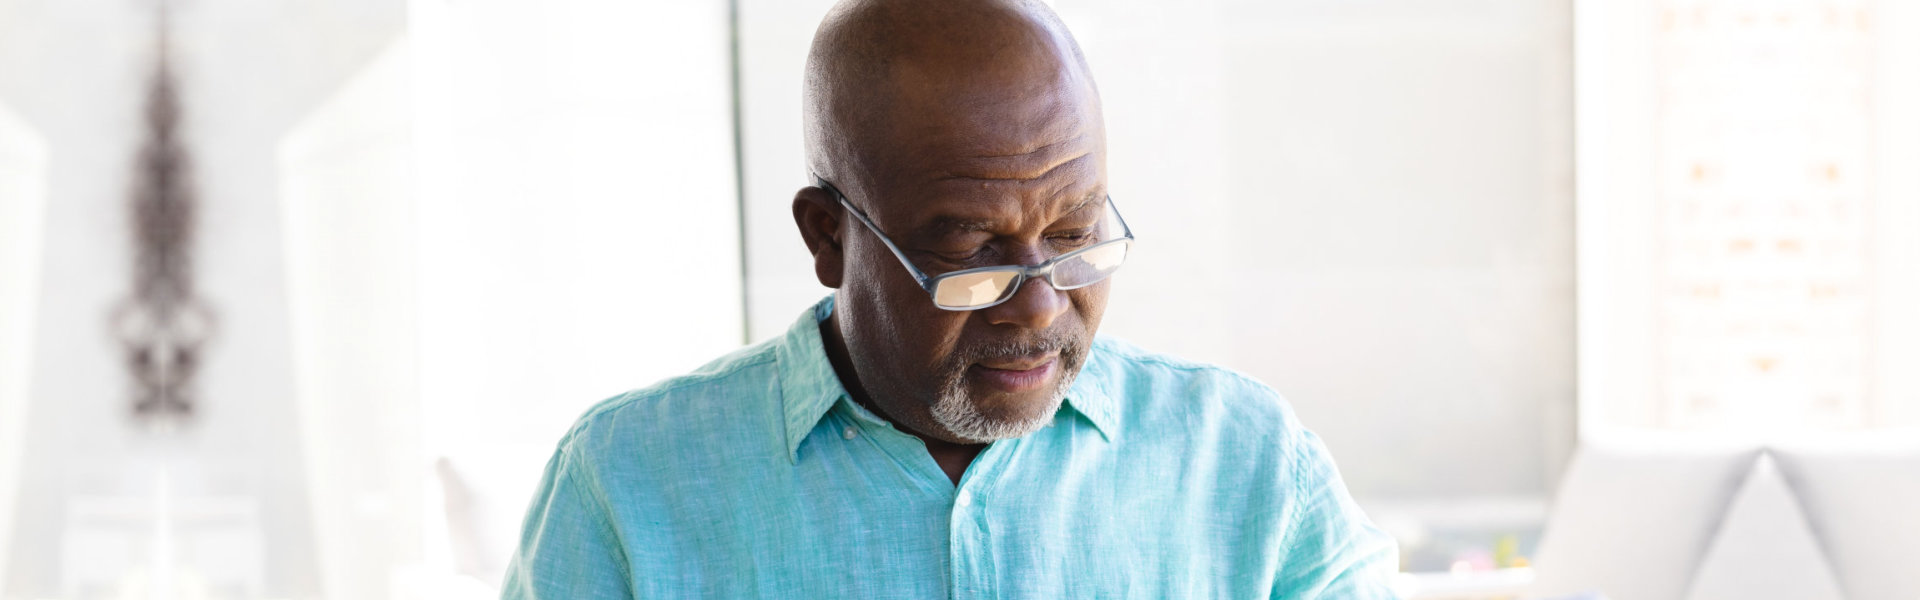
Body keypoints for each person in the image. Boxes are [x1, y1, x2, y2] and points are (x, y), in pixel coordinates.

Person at [502, 0, 1400, 597]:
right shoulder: (627, 486)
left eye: (1076, 233)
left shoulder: (1247, 464)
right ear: (828, 236)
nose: (1041, 308)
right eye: (972, 250)